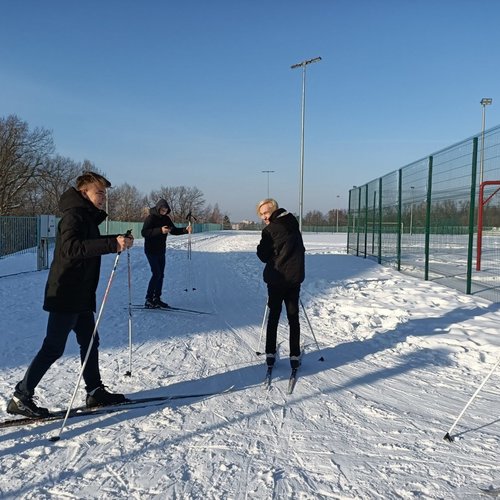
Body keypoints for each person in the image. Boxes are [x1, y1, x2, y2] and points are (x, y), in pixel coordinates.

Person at [7, 172, 134, 418]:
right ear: (84, 192)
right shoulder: (73, 216)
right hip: (65, 293)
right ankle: (21, 396)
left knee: (89, 342)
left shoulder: (85, 217)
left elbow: (89, 242)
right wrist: (111, 244)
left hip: (81, 294)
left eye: (104, 194)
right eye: (99, 193)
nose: (103, 198)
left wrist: (116, 240)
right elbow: (72, 248)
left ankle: (95, 390)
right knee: (53, 347)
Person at [256, 198, 305, 369]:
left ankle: (270, 354)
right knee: (293, 318)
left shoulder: (270, 230)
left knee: (274, 317)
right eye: (261, 214)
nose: (264, 217)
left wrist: (267, 251)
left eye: (266, 213)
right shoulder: (293, 223)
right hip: (294, 279)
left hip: (277, 280)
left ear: (274, 210)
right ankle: (294, 355)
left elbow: (262, 255)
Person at [141, 199, 192, 309]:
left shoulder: (166, 218)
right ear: (158, 208)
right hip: (151, 250)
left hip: (161, 250)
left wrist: (185, 230)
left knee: (161, 275)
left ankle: (157, 298)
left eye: (166, 210)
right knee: (156, 274)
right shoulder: (150, 218)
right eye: (162, 210)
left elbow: (173, 230)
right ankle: (148, 299)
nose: (164, 212)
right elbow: (144, 233)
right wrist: (160, 230)